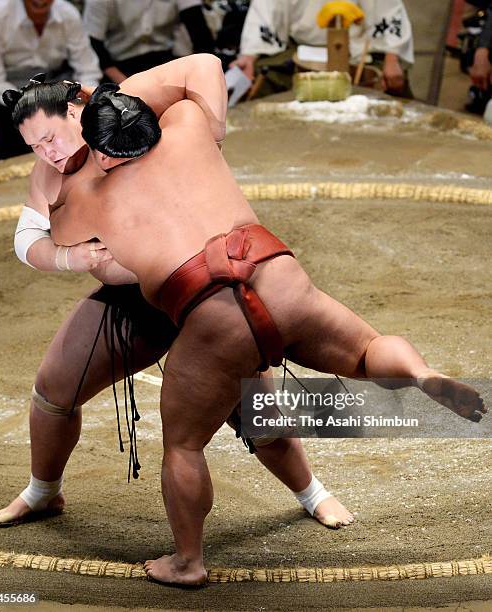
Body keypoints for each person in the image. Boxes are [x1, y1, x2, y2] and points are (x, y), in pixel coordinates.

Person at [47, 57, 486, 585]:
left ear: (97, 150)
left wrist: (70, 169)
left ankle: (187, 561)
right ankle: (419, 373)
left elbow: (57, 235)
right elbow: (202, 66)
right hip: (277, 274)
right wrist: (125, 96)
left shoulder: (88, 197)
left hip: (211, 314)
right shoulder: (188, 125)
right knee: (367, 349)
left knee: (185, 444)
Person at [0, 56, 354, 530]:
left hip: (208, 287)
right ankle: (43, 492)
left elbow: (204, 66)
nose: (48, 152)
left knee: (253, 406)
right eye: (34, 146)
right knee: (53, 388)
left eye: (51, 137)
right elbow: (26, 239)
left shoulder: (130, 109)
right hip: (134, 301)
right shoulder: (48, 174)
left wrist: (215, 131)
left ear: (75, 112)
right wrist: (71, 259)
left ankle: (311, 492)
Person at [0, 0, 101, 159]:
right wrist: (31, 103)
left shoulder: (68, 13)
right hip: (10, 94)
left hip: (57, 87)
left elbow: (88, 69)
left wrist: (83, 100)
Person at [231, 0, 414, 99]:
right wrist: (249, 56)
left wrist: (392, 58)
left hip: (359, 50)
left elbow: (389, 14)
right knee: (261, 75)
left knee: (392, 79)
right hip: (301, 51)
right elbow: (264, 13)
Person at [83, 0, 215, 84]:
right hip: (118, 66)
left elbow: (200, 34)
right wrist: (124, 83)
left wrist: (199, 76)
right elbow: (94, 44)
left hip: (165, 60)